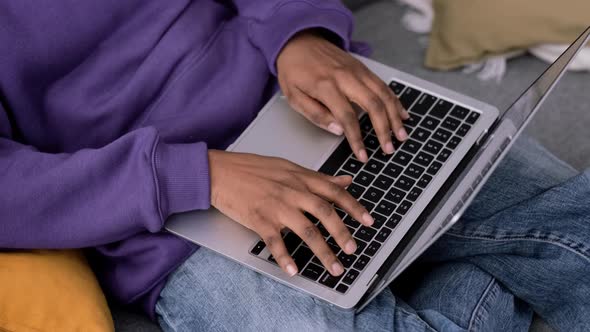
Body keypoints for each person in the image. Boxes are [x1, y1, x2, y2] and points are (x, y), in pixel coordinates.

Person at [0, 1, 588, 331]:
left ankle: (432, 262)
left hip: (306, 108)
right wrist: (194, 175)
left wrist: (297, 32)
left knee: (578, 231)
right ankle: (457, 269)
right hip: (171, 228)